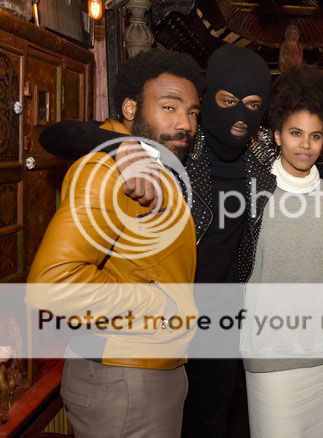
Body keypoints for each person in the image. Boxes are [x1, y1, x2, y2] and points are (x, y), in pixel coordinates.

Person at [37, 44, 276, 438]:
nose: (184, 121)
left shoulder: (261, 158)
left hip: (213, 329)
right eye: (227, 101)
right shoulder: (178, 151)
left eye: (253, 104)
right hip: (143, 345)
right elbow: (59, 133)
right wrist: (115, 144)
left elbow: (312, 149)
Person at [27, 49, 203, 437]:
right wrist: (161, 304)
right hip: (125, 378)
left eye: (192, 112)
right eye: (169, 107)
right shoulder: (110, 169)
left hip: (141, 371)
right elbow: (53, 284)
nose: (185, 123)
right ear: (130, 108)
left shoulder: (148, 160)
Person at [240, 65, 323, 437]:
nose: (305, 145)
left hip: (322, 354)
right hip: (270, 354)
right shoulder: (254, 193)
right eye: (295, 133)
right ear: (277, 135)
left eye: (315, 136)